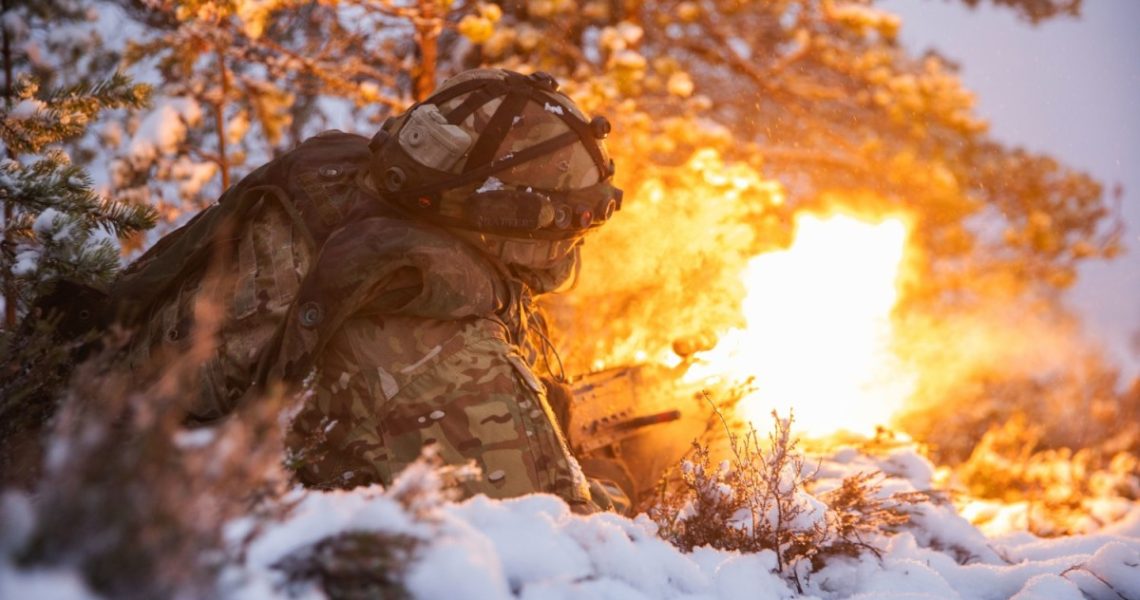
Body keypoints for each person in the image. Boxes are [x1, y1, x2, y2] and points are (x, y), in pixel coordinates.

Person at [108, 68, 624, 513]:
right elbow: (549, 536)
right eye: (567, 231)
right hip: (189, 542)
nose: (566, 254)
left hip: (108, 458)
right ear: (509, 217)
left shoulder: (330, 188)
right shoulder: (445, 347)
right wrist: (615, 490)